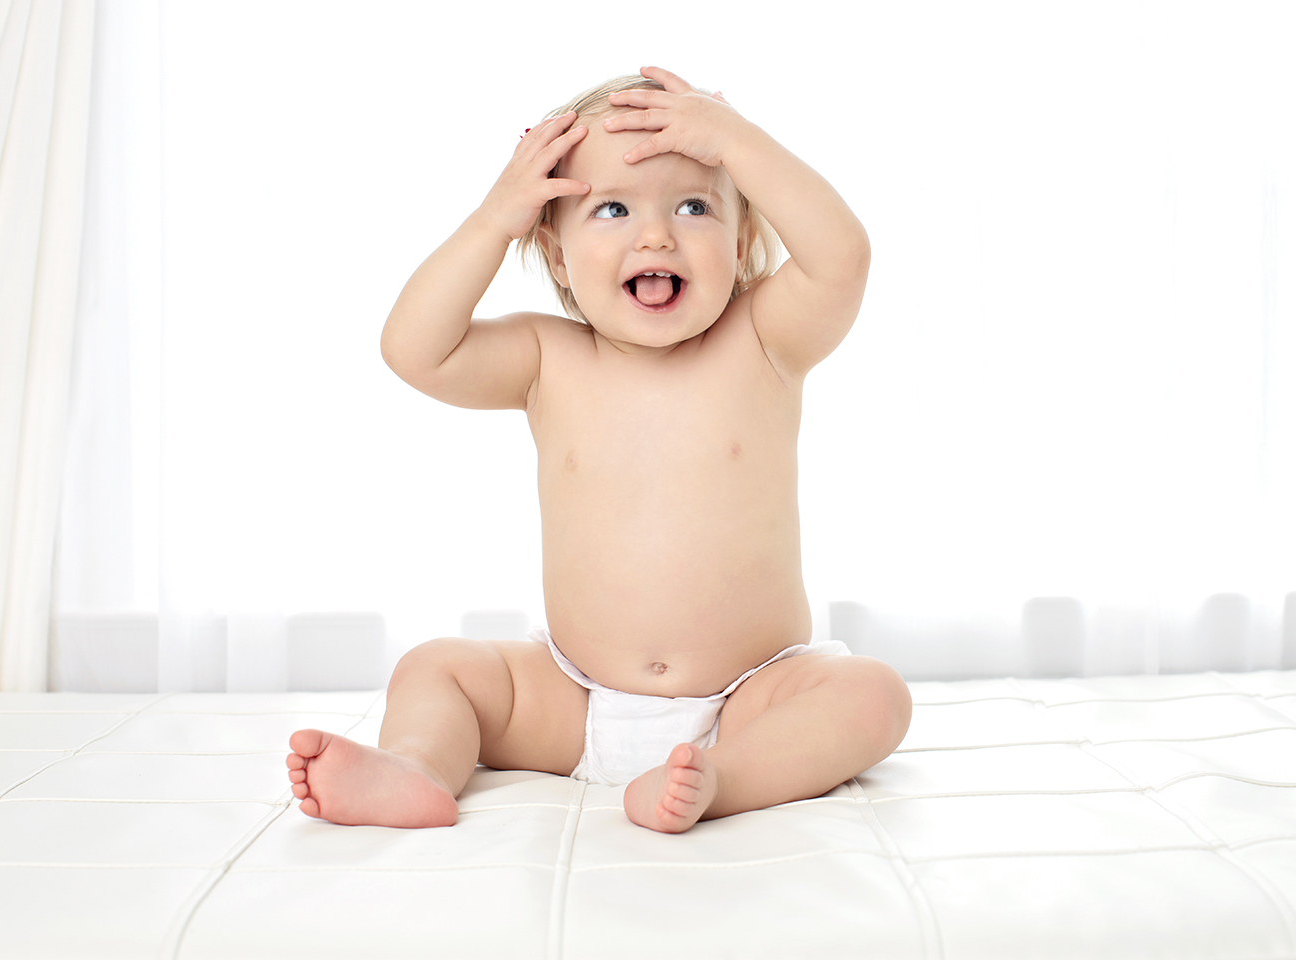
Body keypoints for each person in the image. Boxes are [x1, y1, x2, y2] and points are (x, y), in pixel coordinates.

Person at [286, 67, 911, 833]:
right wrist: (493, 220)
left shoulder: (765, 340)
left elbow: (841, 257)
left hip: (752, 695)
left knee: (873, 695)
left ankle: (726, 777)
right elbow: (413, 349)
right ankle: (415, 767)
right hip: (575, 698)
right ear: (556, 256)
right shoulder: (548, 358)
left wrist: (736, 142)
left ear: (743, 239)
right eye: (612, 208)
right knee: (436, 668)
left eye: (694, 205)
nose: (657, 234)